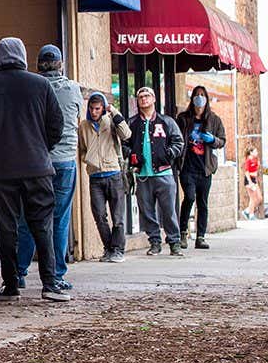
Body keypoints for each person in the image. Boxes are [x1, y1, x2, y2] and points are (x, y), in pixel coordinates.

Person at [0, 37, 69, 302]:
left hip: (3, 169)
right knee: (42, 225)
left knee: (7, 227)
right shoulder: (41, 85)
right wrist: (40, 147)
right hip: (37, 167)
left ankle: (11, 285)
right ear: (22, 56)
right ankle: (50, 284)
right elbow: (57, 125)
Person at [15, 45, 82, 290]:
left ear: (37, 65)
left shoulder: (29, 89)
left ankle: (19, 272)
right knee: (59, 218)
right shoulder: (73, 89)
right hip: (64, 161)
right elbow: (75, 118)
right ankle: (56, 274)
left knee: (27, 218)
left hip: (35, 162)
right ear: (61, 65)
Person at [124, 87, 185, 256]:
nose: (144, 99)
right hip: (143, 175)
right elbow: (124, 144)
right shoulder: (132, 123)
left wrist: (169, 154)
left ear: (154, 99)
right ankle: (154, 242)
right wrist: (132, 155)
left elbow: (178, 142)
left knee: (169, 210)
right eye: (140, 96)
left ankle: (174, 242)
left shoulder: (166, 121)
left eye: (147, 96)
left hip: (164, 173)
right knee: (147, 211)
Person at [78, 92, 132, 262]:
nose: (94, 112)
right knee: (99, 215)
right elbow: (81, 149)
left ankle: (118, 250)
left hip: (114, 174)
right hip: (95, 177)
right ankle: (108, 248)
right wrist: (88, 160)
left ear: (102, 109)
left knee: (118, 217)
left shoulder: (110, 121)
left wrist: (114, 112)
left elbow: (126, 134)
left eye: (97, 109)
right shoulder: (84, 126)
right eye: (91, 109)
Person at [175, 85, 226, 248]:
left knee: (202, 203)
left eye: (202, 95)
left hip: (205, 169)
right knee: (189, 197)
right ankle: (183, 233)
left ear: (206, 99)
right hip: (187, 167)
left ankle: (201, 237)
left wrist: (213, 140)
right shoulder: (183, 118)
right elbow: (175, 137)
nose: (199, 97)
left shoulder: (214, 119)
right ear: (192, 99)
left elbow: (222, 140)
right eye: (196, 95)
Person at [244, 147, 262, 220]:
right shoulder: (248, 160)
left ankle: (247, 210)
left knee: (259, 198)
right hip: (249, 180)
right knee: (253, 198)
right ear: (251, 152)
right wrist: (250, 182)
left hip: (254, 179)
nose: (257, 152)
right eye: (255, 151)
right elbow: (246, 172)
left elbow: (256, 170)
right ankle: (251, 215)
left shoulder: (256, 159)